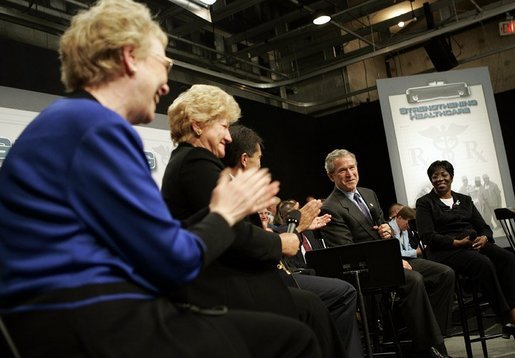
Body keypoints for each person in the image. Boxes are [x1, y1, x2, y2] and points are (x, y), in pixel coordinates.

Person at [0, 1, 323, 357]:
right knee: (295, 339)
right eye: (165, 64)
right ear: (129, 57)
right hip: (98, 327)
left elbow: (147, 247)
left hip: (58, 323)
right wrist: (224, 214)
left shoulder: (67, 122)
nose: (166, 85)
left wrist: (219, 212)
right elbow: (171, 263)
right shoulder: (99, 129)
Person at [162, 84, 345, 358]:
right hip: (217, 289)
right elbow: (229, 231)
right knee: (311, 309)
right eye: (223, 127)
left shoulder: (188, 162)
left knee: (309, 306)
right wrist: (280, 242)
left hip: (220, 281)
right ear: (198, 126)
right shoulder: (195, 162)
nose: (227, 137)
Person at [223, 124, 364, 358]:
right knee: (340, 294)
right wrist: (297, 227)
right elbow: (247, 243)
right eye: (259, 159)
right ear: (246, 159)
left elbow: (254, 237)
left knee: (328, 291)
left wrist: (294, 228)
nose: (261, 166)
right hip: (259, 283)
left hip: (273, 274)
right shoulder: (231, 191)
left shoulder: (236, 189)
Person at [319, 149, 451, 358]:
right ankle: (429, 348)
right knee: (414, 280)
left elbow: (383, 227)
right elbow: (349, 253)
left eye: (352, 168)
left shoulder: (368, 193)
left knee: (444, 274)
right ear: (331, 176)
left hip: (389, 258)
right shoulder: (331, 207)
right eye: (342, 170)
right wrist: (392, 263)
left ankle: (427, 335)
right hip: (365, 269)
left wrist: (387, 231)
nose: (349, 174)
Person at [415, 160, 515, 338]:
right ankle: (506, 316)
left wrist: (485, 238)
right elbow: (428, 236)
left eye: (444, 174)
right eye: (435, 176)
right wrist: (456, 243)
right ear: (431, 180)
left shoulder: (465, 199)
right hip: (445, 250)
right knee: (483, 263)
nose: (440, 179)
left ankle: (513, 308)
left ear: (451, 177)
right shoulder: (425, 203)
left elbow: (484, 227)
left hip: (473, 243)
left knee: (508, 258)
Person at [388, 206, 455, 339]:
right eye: (407, 222)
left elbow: (406, 249)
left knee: (446, 273)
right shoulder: (389, 229)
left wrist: (415, 252)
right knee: (416, 279)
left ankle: (437, 328)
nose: (408, 226)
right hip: (396, 263)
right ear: (399, 218)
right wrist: (415, 252)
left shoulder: (405, 230)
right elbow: (395, 252)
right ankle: (426, 332)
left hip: (409, 260)